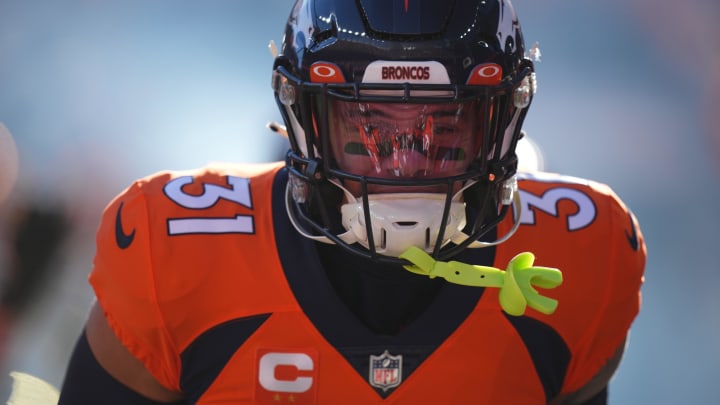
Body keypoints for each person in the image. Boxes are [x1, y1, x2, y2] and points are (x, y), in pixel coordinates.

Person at [57, 0, 646, 404]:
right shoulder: (174, 250)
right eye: (372, 130)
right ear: (303, 118)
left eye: (442, 129)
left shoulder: (582, 257)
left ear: (501, 122)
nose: (405, 165)